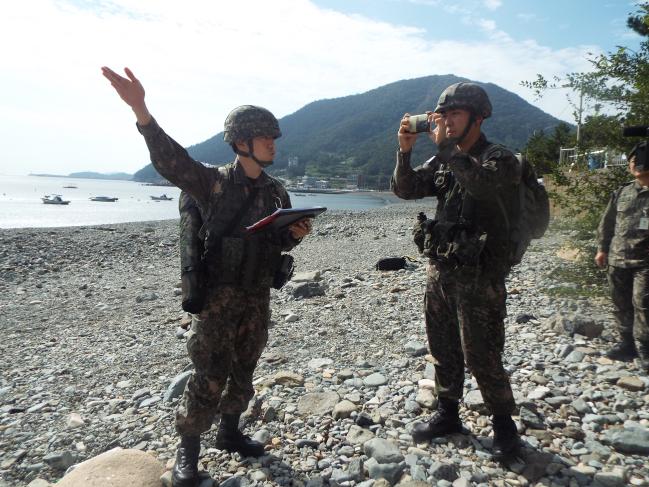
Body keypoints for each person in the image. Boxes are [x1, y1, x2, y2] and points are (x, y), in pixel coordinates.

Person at [102, 66, 312, 487]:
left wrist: (294, 235)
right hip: (218, 299)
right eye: (265, 137)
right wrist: (142, 111)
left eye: (273, 137)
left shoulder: (276, 191)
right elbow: (171, 162)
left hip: (257, 296)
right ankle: (189, 450)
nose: (273, 143)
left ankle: (230, 433)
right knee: (208, 375)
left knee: (245, 368)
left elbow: (278, 244)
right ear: (241, 142)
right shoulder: (213, 183)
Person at [391, 82, 521, 459]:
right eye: (442, 115)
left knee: (482, 352)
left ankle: (504, 427)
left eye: (455, 115)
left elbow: (479, 186)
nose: (446, 122)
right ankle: (448, 413)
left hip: (480, 276)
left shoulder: (500, 159)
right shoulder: (443, 159)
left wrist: (447, 149)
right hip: (441, 270)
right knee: (442, 347)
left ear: (478, 118)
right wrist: (404, 152)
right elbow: (407, 189)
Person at [595, 145, 649, 372]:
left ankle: (645, 348)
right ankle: (626, 343)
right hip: (618, 258)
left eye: (639, 160)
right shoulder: (623, 192)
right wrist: (602, 249)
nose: (634, 164)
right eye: (632, 161)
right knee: (620, 303)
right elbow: (607, 223)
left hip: (645, 262)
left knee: (643, 304)